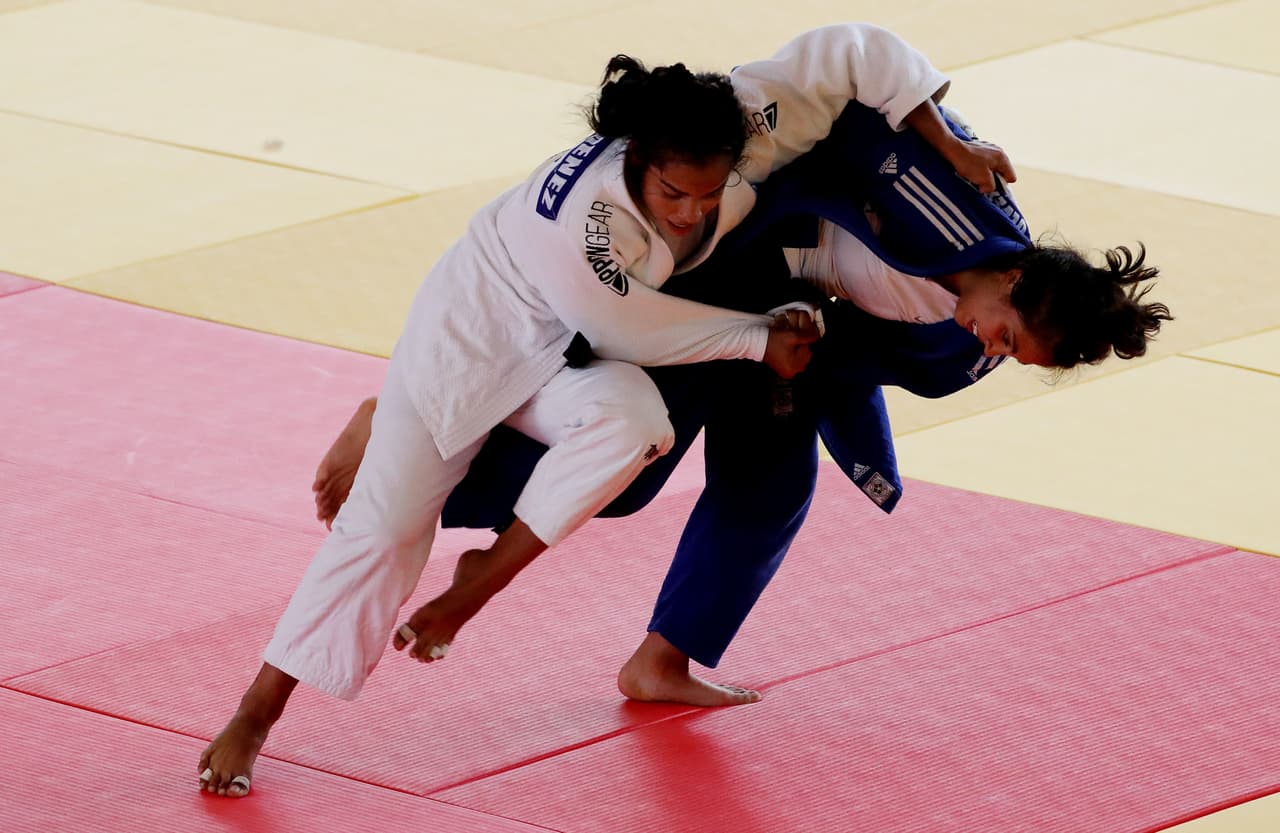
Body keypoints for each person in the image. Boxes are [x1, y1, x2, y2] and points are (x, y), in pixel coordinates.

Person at [199, 22, 1009, 798]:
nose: (690, 211)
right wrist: (760, 338)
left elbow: (853, 50)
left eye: (706, 191)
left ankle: (488, 571)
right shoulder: (589, 217)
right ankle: (254, 713)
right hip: (475, 340)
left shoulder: (743, 121)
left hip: (575, 359)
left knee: (635, 435)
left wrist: (949, 140)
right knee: (384, 526)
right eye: (671, 192)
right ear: (637, 161)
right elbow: (627, 324)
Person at [312, 99, 1170, 710]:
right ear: (1017, 276)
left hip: (791, 320)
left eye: (1018, 360)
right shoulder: (957, 193)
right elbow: (861, 90)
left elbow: (854, 358)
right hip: (723, 257)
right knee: (630, 465)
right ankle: (400, 429)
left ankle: (661, 660)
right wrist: (922, 128)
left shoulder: (958, 356)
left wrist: (786, 353)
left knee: (770, 485)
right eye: (1009, 335)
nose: (996, 353)